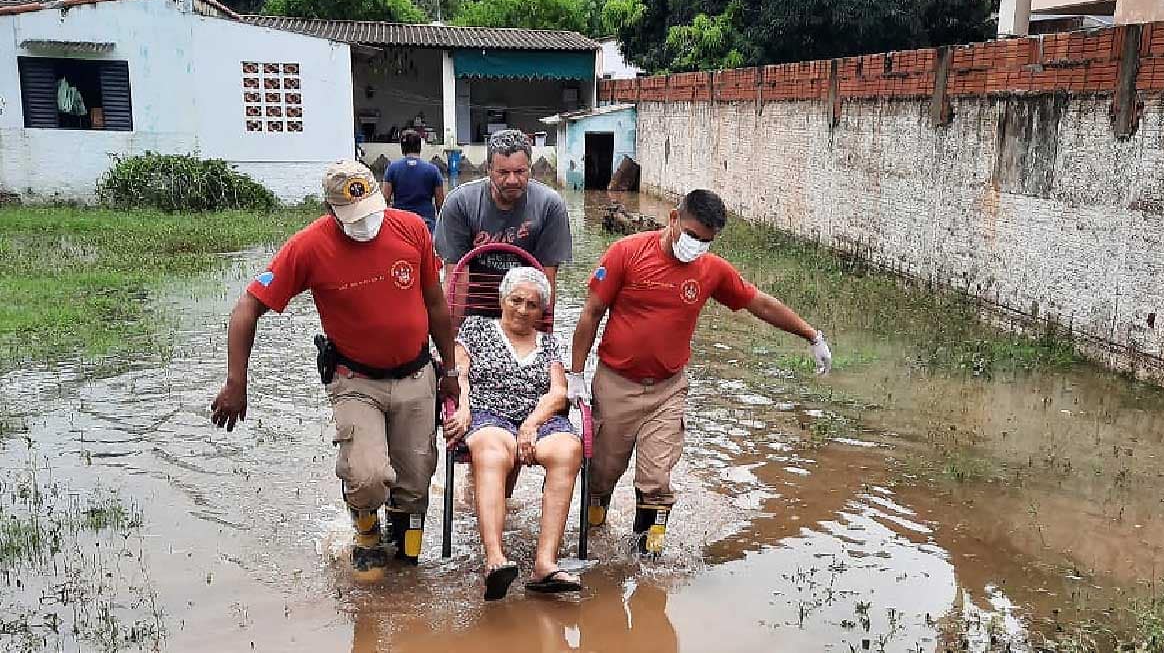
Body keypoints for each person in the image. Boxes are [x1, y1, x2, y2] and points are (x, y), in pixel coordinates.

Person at [209, 159, 460, 581]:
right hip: (356, 381)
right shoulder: (309, 247)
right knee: (368, 476)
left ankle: (404, 552)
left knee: (416, 483)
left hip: (417, 375)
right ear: (331, 211)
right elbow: (247, 307)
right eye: (353, 217)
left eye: (371, 212)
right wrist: (237, 382)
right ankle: (366, 533)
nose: (366, 225)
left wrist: (449, 369)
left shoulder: (412, 228)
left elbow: (436, 303)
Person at [568, 189, 833, 556]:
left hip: (667, 390)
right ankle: (595, 549)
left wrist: (811, 335)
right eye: (692, 235)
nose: (696, 246)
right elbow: (591, 313)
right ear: (673, 218)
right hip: (616, 384)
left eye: (706, 241)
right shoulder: (626, 253)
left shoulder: (710, 270)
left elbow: (758, 302)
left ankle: (646, 564)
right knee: (601, 475)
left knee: (656, 482)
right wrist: (576, 375)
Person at [442, 267, 583, 600]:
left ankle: (545, 564)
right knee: (491, 452)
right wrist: (463, 406)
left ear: (542, 311)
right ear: (502, 299)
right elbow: (459, 373)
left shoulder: (548, 343)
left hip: (538, 419)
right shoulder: (476, 327)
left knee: (569, 450)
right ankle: (495, 560)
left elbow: (558, 392)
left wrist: (531, 425)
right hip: (488, 414)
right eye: (516, 300)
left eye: (532, 304)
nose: (522, 309)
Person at [434, 129, 572, 309]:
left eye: (520, 171)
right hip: (473, 311)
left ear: (530, 168)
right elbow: (455, 281)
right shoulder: (460, 203)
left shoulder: (550, 206)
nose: (512, 180)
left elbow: (546, 283)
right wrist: (452, 326)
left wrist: (543, 326)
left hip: (523, 310)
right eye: (503, 172)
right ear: (488, 170)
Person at [382, 129, 445, 234]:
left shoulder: (392, 169)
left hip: (400, 224)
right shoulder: (433, 170)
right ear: (419, 147)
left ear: (402, 148)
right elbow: (440, 204)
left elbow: (385, 199)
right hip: (425, 224)